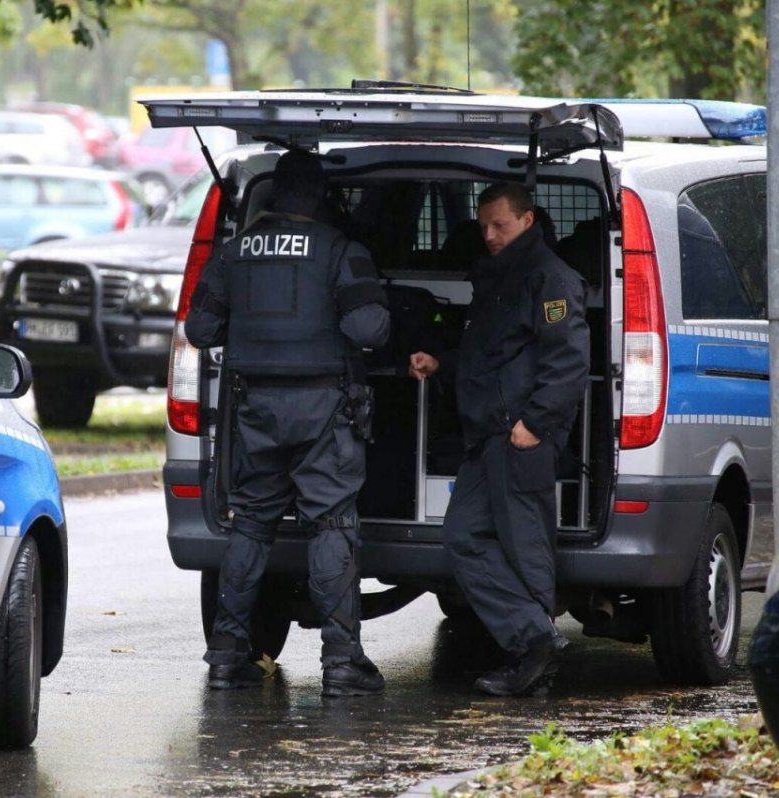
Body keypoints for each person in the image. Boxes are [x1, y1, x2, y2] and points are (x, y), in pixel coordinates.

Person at [185, 150, 392, 697]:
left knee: (250, 522)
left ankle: (228, 656)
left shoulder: (233, 253)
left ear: (275, 196)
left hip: (254, 411)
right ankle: (343, 663)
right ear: (322, 197)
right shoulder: (340, 251)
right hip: (324, 408)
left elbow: (201, 329)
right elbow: (368, 326)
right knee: (332, 524)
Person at [409, 182, 589, 697]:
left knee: (526, 546)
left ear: (527, 221)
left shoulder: (550, 279)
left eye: (499, 225)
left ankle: (531, 654)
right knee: (463, 536)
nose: (487, 235)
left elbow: (569, 361)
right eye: (483, 225)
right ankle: (533, 640)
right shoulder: (496, 277)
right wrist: (441, 361)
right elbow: (490, 353)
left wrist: (536, 423)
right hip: (487, 435)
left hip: (520, 437)